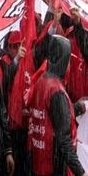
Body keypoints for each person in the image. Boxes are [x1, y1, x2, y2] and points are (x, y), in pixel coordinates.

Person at [28, 35, 88, 176]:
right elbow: (64, 141)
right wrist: (81, 172)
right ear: (63, 60)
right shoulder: (56, 91)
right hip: (53, 165)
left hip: (38, 161)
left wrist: (77, 108)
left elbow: (53, 116)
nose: (69, 66)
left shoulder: (41, 81)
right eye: (68, 61)